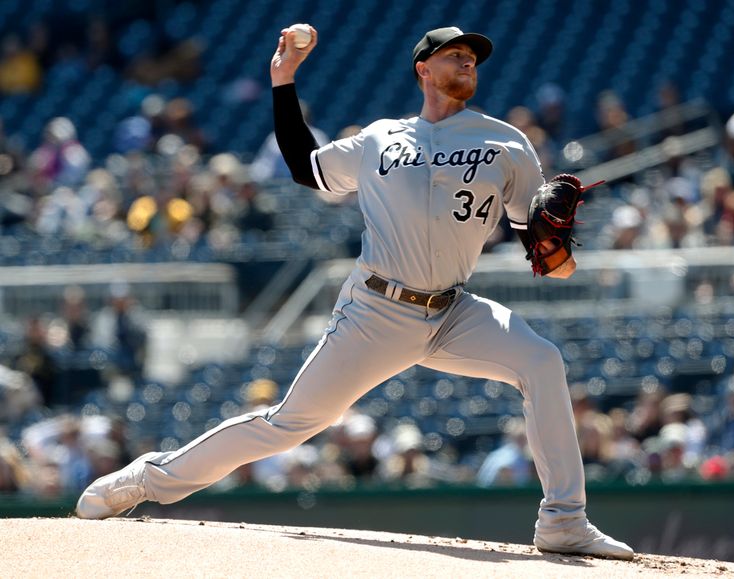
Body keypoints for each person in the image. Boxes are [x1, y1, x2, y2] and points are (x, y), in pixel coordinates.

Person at [76, 25, 634, 560]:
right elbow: (303, 166)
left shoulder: (505, 142)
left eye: (473, 57)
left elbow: (550, 261)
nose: (468, 61)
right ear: (423, 69)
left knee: (542, 361)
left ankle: (564, 522)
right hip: (375, 310)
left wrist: (557, 248)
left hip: (453, 310)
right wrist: (284, 80)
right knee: (288, 425)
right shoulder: (380, 139)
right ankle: (146, 478)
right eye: (454, 54)